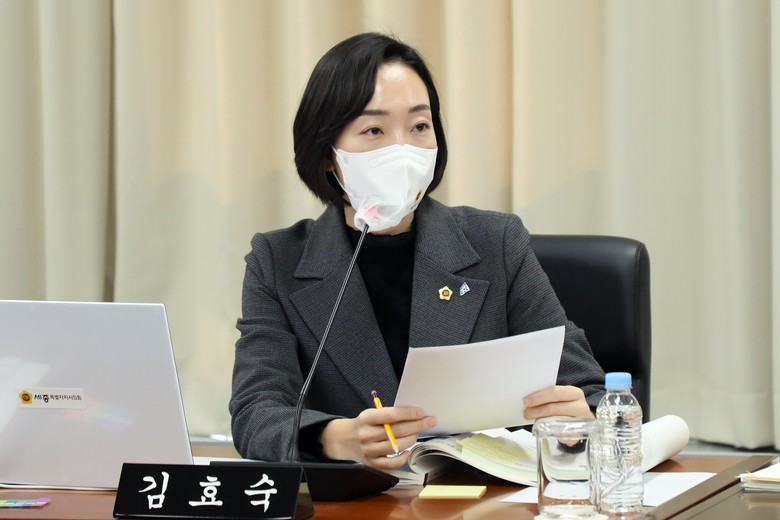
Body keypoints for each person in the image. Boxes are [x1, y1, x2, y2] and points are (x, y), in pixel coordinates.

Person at [229, 32, 605, 471]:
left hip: (478, 495)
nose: (403, 151)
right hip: (356, 498)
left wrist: (581, 418)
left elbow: (588, 390)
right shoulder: (277, 260)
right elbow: (255, 414)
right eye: (374, 130)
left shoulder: (496, 242)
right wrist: (335, 438)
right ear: (327, 153)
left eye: (419, 127)